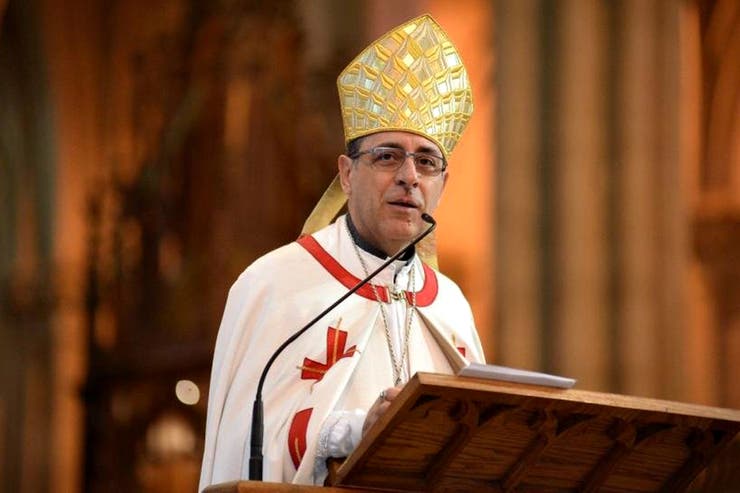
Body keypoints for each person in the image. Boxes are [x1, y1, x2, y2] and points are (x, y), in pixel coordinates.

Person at [199, 13, 484, 489]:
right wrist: (356, 431)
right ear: (347, 175)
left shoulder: (451, 307)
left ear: (442, 185)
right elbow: (247, 447)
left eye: (427, 162)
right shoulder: (274, 285)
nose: (409, 177)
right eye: (387, 156)